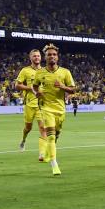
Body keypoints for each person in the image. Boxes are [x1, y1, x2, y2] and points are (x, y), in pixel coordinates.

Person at [32, 44, 77, 176]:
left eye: (54, 54)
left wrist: (62, 86)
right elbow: (34, 86)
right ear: (45, 57)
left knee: (56, 136)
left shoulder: (65, 72)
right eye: (49, 54)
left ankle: (47, 153)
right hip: (46, 108)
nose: (52, 56)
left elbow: (73, 89)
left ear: (57, 57)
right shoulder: (40, 73)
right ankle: (54, 164)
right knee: (50, 137)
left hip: (60, 109)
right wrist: (36, 93)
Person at [15, 49, 47, 160]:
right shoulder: (25, 71)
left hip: (42, 104)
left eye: (38, 56)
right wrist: (30, 88)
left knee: (43, 128)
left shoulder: (45, 71)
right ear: (31, 58)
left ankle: (42, 154)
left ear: (41, 58)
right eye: (34, 56)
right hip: (29, 103)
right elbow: (17, 85)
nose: (37, 58)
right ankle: (23, 140)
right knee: (28, 128)